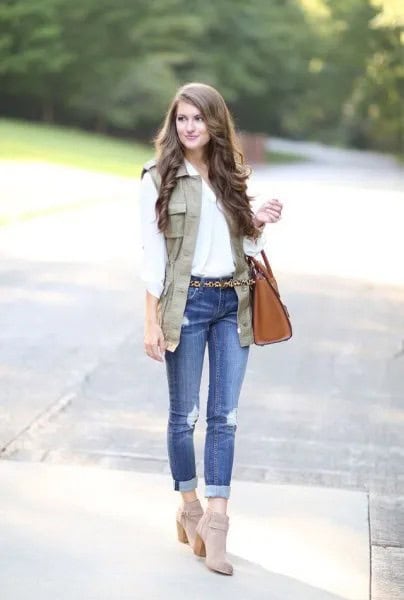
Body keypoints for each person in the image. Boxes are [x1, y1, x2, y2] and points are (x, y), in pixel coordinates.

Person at [139, 82, 282, 575]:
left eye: (198, 118)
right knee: (185, 416)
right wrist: (151, 321)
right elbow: (152, 255)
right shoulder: (158, 177)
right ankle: (189, 504)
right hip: (188, 304)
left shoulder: (234, 175)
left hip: (233, 302)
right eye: (181, 119)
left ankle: (217, 524)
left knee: (226, 416)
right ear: (173, 123)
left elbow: (243, 247)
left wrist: (257, 221)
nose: (189, 127)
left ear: (216, 122)